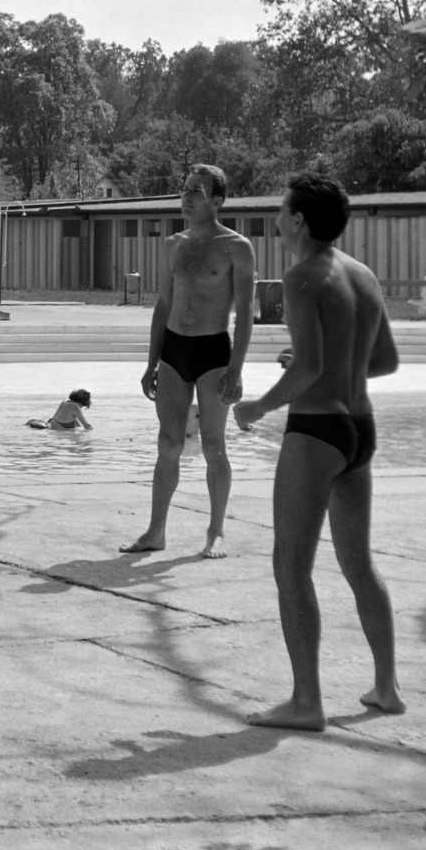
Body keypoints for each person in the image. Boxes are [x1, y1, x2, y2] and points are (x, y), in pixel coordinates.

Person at [234, 173, 404, 731]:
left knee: (291, 565)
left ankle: (306, 702)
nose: (277, 220)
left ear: (300, 220)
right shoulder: (362, 274)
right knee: (359, 565)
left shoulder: (301, 277)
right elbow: (383, 362)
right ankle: (386, 688)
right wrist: (320, 366)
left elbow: (307, 369)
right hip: (360, 428)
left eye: (282, 211)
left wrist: (257, 407)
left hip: (317, 432)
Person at [121, 165, 255, 560]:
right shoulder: (173, 244)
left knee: (214, 446)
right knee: (169, 442)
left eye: (198, 190)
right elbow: (164, 304)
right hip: (174, 351)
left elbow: (246, 312)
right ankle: (156, 530)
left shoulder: (237, 247)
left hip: (214, 351)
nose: (188, 196)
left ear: (217, 200)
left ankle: (216, 532)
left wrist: (237, 368)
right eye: (185, 189)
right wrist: (151, 362)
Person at [28, 389, 93, 430]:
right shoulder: (74, 407)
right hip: (47, 429)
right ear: (81, 402)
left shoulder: (66, 401)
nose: (81, 408)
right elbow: (87, 426)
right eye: (83, 405)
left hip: (47, 424)